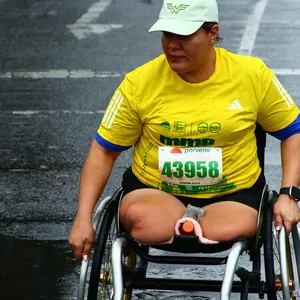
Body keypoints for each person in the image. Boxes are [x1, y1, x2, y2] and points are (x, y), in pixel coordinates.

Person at [69, 0, 300, 260]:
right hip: (155, 192)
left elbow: (293, 130)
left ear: (212, 33)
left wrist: (289, 195)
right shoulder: (139, 83)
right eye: (167, 34)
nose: (173, 45)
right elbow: (104, 149)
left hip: (234, 195)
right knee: (146, 222)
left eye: (185, 36)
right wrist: (82, 218)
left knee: (227, 228)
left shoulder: (253, 76)